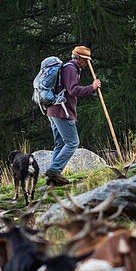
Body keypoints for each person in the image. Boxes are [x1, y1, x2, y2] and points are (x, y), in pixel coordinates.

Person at [45, 45, 101, 187]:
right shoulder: (70, 68)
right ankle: (54, 170)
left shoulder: (69, 68)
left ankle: (53, 178)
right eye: (86, 60)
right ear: (80, 58)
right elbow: (73, 90)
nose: (88, 63)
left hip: (53, 110)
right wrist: (92, 87)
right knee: (72, 142)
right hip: (62, 111)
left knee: (60, 144)